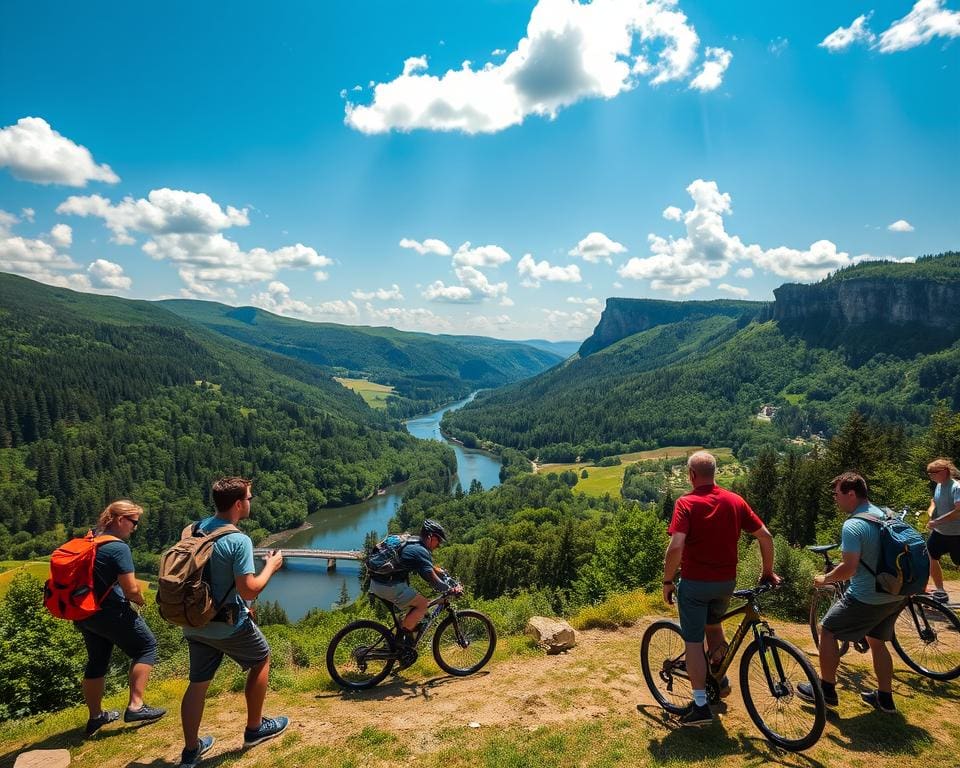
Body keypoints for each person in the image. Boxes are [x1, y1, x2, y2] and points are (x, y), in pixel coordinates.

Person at [662, 451, 780, 727]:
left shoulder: (686, 503)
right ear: (714, 473)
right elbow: (765, 536)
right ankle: (720, 677)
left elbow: (676, 546)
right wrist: (767, 571)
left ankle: (700, 705)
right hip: (726, 583)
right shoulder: (734, 500)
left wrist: (667, 581)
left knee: (693, 642)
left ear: (691, 475)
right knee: (714, 626)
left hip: (694, 584)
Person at [178, 477, 287, 768]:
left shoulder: (193, 529)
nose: (251, 502)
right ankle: (254, 729)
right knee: (261, 659)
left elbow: (206, 578)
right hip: (226, 624)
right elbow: (249, 589)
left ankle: (191, 750)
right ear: (238, 504)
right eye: (249, 498)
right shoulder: (238, 540)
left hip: (194, 621)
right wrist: (271, 567)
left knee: (197, 683)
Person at [797, 472, 907, 713]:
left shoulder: (853, 525)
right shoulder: (884, 514)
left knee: (827, 630)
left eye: (836, 494)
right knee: (877, 642)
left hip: (867, 596)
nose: (834, 498)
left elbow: (849, 568)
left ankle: (826, 691)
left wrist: (825, 579)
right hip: (895, 593)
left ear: (851, 494)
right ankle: (885, 698)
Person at [75, 500, 166, 736]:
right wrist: (141, 600)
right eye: (133, 522)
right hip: (111, 612)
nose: (135, 528)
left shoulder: (91, 540)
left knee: (97, 661)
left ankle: (96, 717)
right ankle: (136, 706)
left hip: (85, 613)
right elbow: (131, 589)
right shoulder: (117, 547)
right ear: (120, 520)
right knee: (146, 647)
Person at [367, 518, 461, 666]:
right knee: (423, 604)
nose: (439, 545)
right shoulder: (420, 551)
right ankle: (401, 645)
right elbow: (432, 579)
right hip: (388, 586)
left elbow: (431, 568)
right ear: (430, 537)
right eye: (438, 540)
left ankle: (400, 641)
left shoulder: (414, 542)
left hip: (378, 582)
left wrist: (445, 576)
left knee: (412, 609)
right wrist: (450, 589)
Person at [925, 458, 960, 604]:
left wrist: (937, 521)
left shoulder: (956, 487)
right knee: (930, 555)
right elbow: (934, 501)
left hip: (957, 534)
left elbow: (958, 511)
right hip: (940, 532)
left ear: (945, 471)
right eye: (929, 473)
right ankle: (940, 591)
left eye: (933, 473)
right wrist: (930, 512)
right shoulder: (939, 485)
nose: (930, 476)